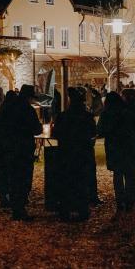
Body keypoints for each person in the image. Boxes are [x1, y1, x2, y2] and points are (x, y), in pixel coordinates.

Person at [52, 87, 97, 222]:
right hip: (82, 154)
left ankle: (65, 211)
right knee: (81, 182)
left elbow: (55, 134)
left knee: (66, 182)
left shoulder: (62, 117)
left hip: (66, 154)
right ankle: (82, 210)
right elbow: (92, 133)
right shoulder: (87, 117)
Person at [1, 84, 43, 221]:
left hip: (9, 147)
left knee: (13, 177)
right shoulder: (27, 110)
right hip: (24, 148)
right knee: (23, 178)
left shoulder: (8, 108)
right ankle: (20, 208)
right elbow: (37, 129)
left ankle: (15, 207)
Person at [98, 90, 135, 213]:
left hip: (114, 147)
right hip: (129, 146)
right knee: (130, 173)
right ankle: (130, 199)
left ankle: (120, 201)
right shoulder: (127, 112)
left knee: (118, 174)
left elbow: (100, 130)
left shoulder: (106, 114)